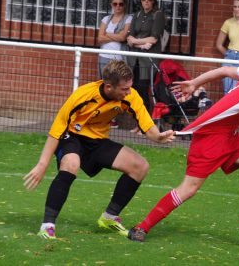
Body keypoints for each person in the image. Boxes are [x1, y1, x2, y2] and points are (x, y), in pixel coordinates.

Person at [128, 45, 239, 245]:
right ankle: (141, 227)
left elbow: (223, 70)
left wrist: (195, 82)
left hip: (230, 137)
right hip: (210, 139)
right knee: (188, 188)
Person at [23, 60, 175, 239]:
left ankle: (109, 218)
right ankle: (47, 226)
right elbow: (56, 130)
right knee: (71, 164)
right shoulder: (83, 95)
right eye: (124, 89)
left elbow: (147, 126)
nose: (129, 92)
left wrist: (158, 137)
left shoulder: (130, 96)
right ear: (109, 86)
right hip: (71, 137)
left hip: (97, 141)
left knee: (140, 166)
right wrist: (42, 164)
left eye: (129, 87)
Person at [127, 0, 165, 134]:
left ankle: (146, 124)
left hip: (148, 60)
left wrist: (136, 41)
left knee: (144, 90)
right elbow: (129, 39)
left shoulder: (157, 15)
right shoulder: (137, 14)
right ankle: (139, 123)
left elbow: (154, 38)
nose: (146, 1)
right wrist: (141, 43)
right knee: (134, 90)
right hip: (134, 58)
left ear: (153, 0)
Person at [97, 0, 132, 128]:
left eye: (121, 4)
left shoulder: (128, 19)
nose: (118, 6)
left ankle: (113, 116)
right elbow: (100, 38)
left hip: (118, 58)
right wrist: (115, 35)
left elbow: (123, 37)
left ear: (124, 6)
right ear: (112, 5)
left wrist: (107, 34)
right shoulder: (106, 18)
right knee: (104, 86)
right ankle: (103, 115)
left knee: (117, 88)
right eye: (115, 4)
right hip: (104, 56)